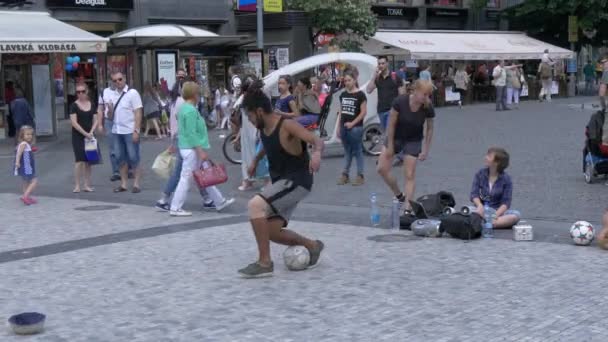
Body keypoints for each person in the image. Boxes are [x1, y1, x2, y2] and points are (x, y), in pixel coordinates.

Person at [238, 80, 325, 278]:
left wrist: (317, 154)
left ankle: (265, 262)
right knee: (270, 231)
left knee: (255, 206)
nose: (250, 121)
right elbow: (267, 148)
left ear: (259, 111)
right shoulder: (264, 128)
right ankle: (312, 246)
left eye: (250, 116)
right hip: (282, 183)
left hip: (296, 181)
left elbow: (316, 140)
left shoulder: (287, 126)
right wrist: (255, 161)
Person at [169, 82, 234, 216]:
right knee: (186, 178)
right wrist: (200, 150)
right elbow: (191, 133)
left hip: (188, 147)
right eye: (198, 93)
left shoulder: (184, 108)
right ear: (194, 94)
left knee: (205, 176)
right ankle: (175, 207)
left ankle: (219, 201)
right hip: (192, 149)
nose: (199, 95)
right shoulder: (191, 110)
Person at [377, 80, 435, 212]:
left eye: (429, 95)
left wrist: (425, 150)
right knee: (381, 169)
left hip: (413, 139)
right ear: (415, 91)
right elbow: (390, 125)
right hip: (395, 136)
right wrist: (390, 146)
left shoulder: (427, 106)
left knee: (409, 174)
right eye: (424, 94)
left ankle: (407, 208)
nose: (426, 98)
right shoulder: (400, 102)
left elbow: (430, 128)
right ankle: (399, 194)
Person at [107, 72, 144, 193]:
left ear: (125, 79)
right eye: (115, 80)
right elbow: (110, 117)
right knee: (119, 157)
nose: (118, 82)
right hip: (117, 131)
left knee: (134, 157)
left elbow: (138, 112)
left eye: (120, 79)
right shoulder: (112, 95)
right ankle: (123, 184)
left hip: (129, 130)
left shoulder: (132, 93)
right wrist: (110, 110)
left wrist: (136, 130)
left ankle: (136, 184)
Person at [470, 147, 521, 229]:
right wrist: (479, 205)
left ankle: (482, 223)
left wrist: (495, 215)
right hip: (481, 209)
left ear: (497, 162)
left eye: (489, 156)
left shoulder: (506, 179)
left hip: (497, 211)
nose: (485, 158)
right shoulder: (480, 174)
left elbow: (506, 203)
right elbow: (474, 195)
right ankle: (490, 224)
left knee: (516, 215)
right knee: (467, 210)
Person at [337, 70, 367, 186]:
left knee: (358, 151)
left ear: (354, 80)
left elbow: (363, 112)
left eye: (349, 80)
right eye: (345, 81)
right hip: (344, 127)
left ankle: (360, 175)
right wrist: (338, 128)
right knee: (347, 151)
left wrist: (353, 123)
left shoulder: (360, 95)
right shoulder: (343, 94)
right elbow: (341, 112)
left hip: (355, 128)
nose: (347, 83)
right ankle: (345, 174)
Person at [70, 83, 98, 193]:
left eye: (82, 91)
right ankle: (77, 185)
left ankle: (87, 184)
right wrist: (85, 133)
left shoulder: (92, 104)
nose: (80, 94)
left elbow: (95, 119)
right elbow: (74, 123)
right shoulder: (74, 105)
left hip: (90, 135)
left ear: (87, 91)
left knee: (88, 161)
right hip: (78, 135)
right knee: (79, 160)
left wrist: (91, 132)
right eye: (78, 92)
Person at [366, 56, 404, 131]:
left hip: (392, 110)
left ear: (387, 64)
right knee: (385, 132)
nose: (381, 65)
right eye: (379, 64)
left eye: (383, 63)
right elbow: (368, 90)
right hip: (381, 110)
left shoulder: (395, 76)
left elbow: (402, 95)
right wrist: (374, 76)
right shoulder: (377, 78)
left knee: (389, 132)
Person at [14, 125, 38, 205]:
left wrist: (31, 149)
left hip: (26, 166)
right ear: (22, 135)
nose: (29, 136)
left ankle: (26, 196)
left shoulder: (25, 144)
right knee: (34, 181)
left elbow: (25, 152)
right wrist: (17, 162)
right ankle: (25, 196)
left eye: (31, 134)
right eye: (27, 134)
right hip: (27, 167)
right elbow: (19, 154)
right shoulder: (24, 144)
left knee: (25, 182)